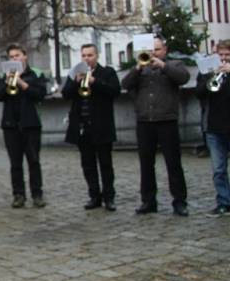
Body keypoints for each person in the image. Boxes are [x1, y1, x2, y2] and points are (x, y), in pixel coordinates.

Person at [121, 37, 190, 216]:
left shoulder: (175, 65)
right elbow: (125, 84)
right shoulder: (140, 68)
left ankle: (179, 201)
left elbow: (184, 78)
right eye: (151, 50)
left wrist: (163, 66)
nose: (153, 53)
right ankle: (148, 201)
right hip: (145, 121)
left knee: (173, 163)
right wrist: (138, 68)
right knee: (146, 164)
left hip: (167, 120)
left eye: (157, 50)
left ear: (164, 50)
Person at [62, 44, 121, 211]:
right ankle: (94, 196)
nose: (87, 58)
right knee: (87, 164)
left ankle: (109, 197)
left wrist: (95, 82)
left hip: (101, 125)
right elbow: (66, 94)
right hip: (82, 125)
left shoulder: (107, 72)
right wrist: (76, 82)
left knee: (105, 164)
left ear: (97, 56)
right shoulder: (75, 73)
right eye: (84, 55)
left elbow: (114, 91)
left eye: (90, 55)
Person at [0, 44, 48, 208]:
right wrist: (9, 81)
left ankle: (37, 194)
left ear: (25, 56)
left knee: (34, 161)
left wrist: (22, 83)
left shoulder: (35, 74)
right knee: (15, 164)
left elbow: (40, 94)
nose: (14, 59)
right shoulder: (4, 76)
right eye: (11, 57)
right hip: (11, 125)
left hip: (31, 124)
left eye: (17, 55)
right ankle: (18, 195)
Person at [195, 39, 230, 217]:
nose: (223, 59)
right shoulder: (207, 71)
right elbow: (199, 93)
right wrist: (211, 76)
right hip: (214, 127)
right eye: (220, 55)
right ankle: (224, 202)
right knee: (218, 170)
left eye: (227, 55)